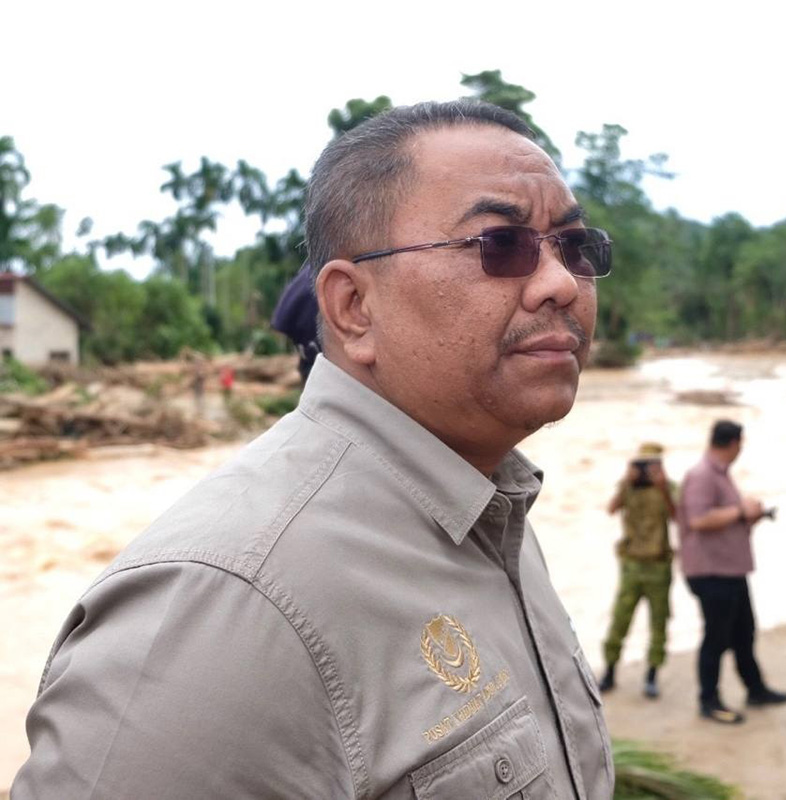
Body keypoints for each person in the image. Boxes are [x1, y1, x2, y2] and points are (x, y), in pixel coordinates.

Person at [15, 101, 615, 799]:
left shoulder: (492, 507)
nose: (561, 283)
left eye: (575, 247)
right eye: (499, 246)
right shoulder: (228, 607)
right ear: (353, 306)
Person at [678, 419, 786, 724]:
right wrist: (742, 511)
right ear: (734, 443)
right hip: (711, 571)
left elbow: (721, 519)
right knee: (716, 637)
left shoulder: (720, 475)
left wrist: (749, 516)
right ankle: (709, 700)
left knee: (744, 633)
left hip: (730, 569)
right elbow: (699, 520)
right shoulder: (703, 475)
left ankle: (756, 689)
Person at [598, 442, 676, 699]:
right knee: (620, 619)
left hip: (658, 564)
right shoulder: (628, 487)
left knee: (659, 622)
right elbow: (611, 509)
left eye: (652, 465)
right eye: (643, 465)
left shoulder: (668, 487)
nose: (647, 471)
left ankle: (652, 674)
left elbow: (678, 516)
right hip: (632, 564)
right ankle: (609, 670)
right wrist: (626, 482)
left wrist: (663, 487)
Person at [271, 260, 322, 385]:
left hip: (312, 360)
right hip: (319, 363)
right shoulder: (316, 274)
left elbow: (279, 324)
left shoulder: (308, 274)